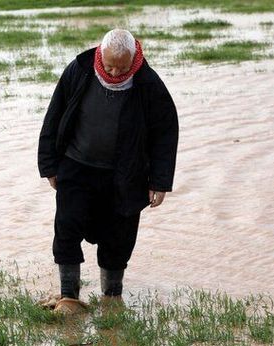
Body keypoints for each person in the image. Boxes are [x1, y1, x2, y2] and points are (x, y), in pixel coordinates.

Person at [37, 29, 179, 313]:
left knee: (120, 236)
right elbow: (54, 116)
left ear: (134, 59)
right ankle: (69, 296)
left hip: (126, 175)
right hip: (76, 166)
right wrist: (49, 165)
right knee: (66, 229)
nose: (115, 72)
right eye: (110, 65)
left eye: (122, 67)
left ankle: (112, 297)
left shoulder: (148, 83)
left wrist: (160, 181)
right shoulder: (79, 69)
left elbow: (165, 133)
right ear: (100, 55)